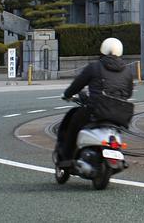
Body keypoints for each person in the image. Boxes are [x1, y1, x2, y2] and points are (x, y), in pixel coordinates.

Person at [56, 37, 134, 165]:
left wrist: (67, 94)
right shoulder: (128, 71)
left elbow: (77, 84)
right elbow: (128, 93)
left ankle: (66, 156)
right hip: (121, 113)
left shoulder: (95, 67)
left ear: (103, 50)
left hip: (96, 109)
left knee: (74, 122)